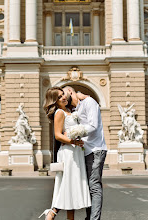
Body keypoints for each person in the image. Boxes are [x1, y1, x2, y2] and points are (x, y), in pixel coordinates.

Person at [39, 86, 91, 220]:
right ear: (54, 101)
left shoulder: (68, 110)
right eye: (59, 97)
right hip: (69, 153)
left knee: (72, 186)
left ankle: (66, 217)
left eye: (63, 94)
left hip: (76, 152)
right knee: (68, 184)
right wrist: (73, 141)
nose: (63, 97)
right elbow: (57, 135)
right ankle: (52, 213)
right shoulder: (59, 113)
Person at [63, 86, 107, 220]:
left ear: (70, 91)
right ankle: (89, 217)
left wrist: (72, 132)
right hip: (85, 151)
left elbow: (93, 126)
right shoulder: (76, 109)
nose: (63, 97)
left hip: (96, 149)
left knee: (94, 186)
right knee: (87, 187)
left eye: (64, 94)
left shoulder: (89, 102)